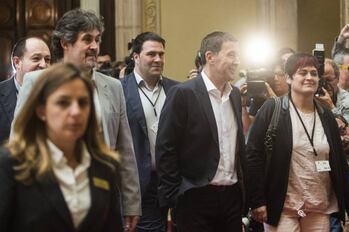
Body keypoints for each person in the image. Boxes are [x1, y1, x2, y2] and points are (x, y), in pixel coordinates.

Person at [12, 9, 141, 231]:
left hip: (101, 201)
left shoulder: (113, 87)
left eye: (97, 39)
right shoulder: (36, 82)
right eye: (87, 39)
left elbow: (124, 150)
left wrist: (131, 204)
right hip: (48, 200)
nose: (94, 46)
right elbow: (20, 141)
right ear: (65, 43)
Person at [0, 63, 122, 232]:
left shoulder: (104, 166)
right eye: (63, 103)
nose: (75, 112)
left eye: (83, 103)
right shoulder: (12, 164)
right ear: (41, 110)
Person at [246, 53, 349, 231]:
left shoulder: (326, 115)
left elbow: (339, 163)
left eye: (314, 73)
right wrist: (257, 201)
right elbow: (253, 155)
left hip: (318, 205)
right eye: (303, 73)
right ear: (289, 78)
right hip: (282, 206)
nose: (309, 77)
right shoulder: (273, 109)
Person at [156, 31, 247, 232]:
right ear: (210, 57)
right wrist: (174, 196)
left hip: (231, 197)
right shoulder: (183, 93)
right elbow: (166, 148)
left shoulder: (235, 95)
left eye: (238, 56)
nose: (237, 61)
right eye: (231, 54)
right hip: (194, 197)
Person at [121, 32, 179, 231]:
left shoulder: (177, 90)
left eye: (161, 54)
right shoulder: (120, 90)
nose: (158, 59)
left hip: (173, 182)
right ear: (136, 57)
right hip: (139, 184)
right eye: (151, 54)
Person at [0, 37, 50, 144]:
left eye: (47, 59)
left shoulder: (57, 94)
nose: (43, 65)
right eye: (36, 58)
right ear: (17, 62)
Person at [316, 59, 349, 128]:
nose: (324, 84)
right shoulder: (308, 97)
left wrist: (331, 108)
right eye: (320, 81)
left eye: (328, 80)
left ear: (337, 78)